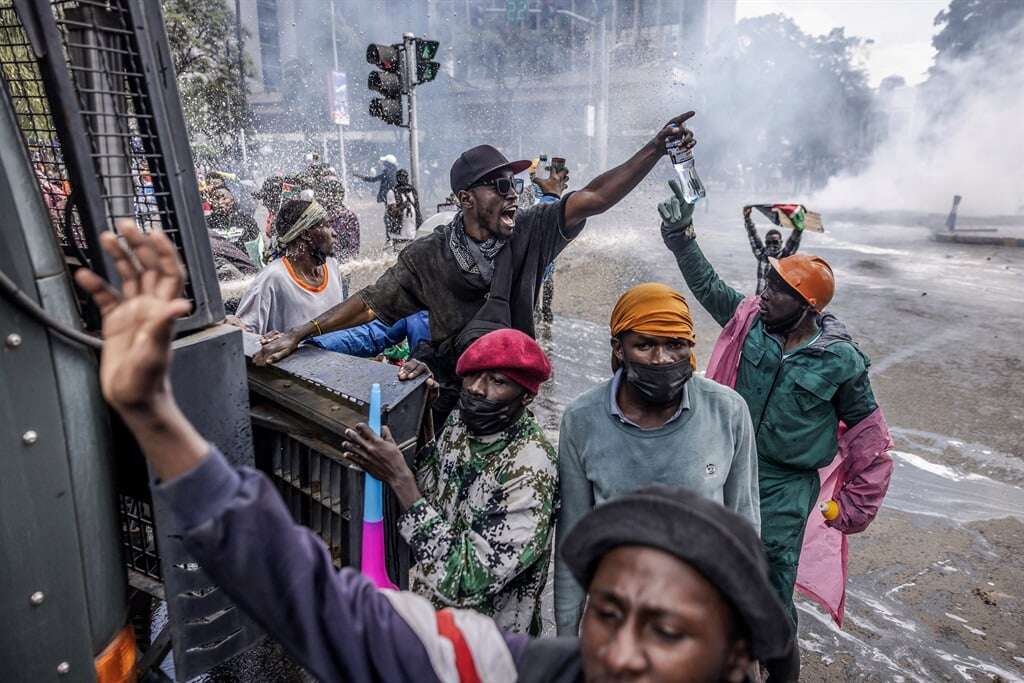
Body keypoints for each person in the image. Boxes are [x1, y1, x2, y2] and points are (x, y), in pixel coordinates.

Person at [70, 228, 798, 681]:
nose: (623, 653)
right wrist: (156, 416)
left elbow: (464, 569)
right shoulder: (510, 668)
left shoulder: (534, 464)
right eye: (610, 613)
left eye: (668, 628)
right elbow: (320, 601)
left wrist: (403, 485)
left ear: (737, 656)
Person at [256, 112, 699, 427]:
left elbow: (596, 197)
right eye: (501, 185)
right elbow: (369, 305)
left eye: (517, 185)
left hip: (513, 399)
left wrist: (655, 149)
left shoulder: (531, 230)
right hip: (449, 402)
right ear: (466, 198)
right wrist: (301, 334)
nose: (513, 194)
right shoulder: (427, 256)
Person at [657, 180, 893, 632]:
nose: (764, 296)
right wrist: (681, 237)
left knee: (769, 580)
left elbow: (870, 440)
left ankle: (776, 661)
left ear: (806, 306)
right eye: (765, 286)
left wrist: (852, 507)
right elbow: (707, 285)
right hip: (729, 464)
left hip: (787, 484)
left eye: (776, 292)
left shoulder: (840, 359)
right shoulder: (750, 322)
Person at [554, 282, 760, 636]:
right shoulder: (582, 420)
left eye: (675, 344)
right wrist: (567, 637)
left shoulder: (727, 411)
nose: (661, 359)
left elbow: (745, 521)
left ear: (690, 347)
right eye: (645, 345)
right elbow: (572, 534)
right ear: (619, 348)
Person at [341, 328, 556, 634]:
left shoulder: (529, 470)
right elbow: (433, 486)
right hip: (434, 623)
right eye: (472, 375)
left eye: (498, 381)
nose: (477, 389)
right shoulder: (466, 420)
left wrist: (398, 476)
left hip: (487, 646)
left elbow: (467, 580)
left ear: (526, 395)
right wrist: (424, 410)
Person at [234, 199, 346, 334]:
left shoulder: (332, 266)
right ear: (306, 234)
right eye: (327, 226)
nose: (334, 233)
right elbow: (244, 335)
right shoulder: (273, 278)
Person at [744, 206, 802, 294]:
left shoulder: (784, 257)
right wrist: (747, 218)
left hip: (776, 305)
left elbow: (793, 241)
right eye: (768, 242)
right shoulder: (762, 255)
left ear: (781, 242)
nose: (771, 245)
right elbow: (752, 234)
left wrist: (798, 229)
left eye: (775, 242)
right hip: (760, 302)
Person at [315, 177, 361, 263]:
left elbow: (353, 248)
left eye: (331, 192)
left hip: (338, 266)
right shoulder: (318, 217)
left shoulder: (348, 217)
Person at [206, 186, 259, 251]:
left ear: (232, 199)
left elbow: (255, 243)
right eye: (216, 199)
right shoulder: (207, 223)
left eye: (224, 198)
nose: (220, 202)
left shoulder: (246, 219)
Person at [384, 169, 422, 251]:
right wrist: (402, 206)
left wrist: (420, 225)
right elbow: (392, 213)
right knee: (399, 256)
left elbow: (417, 210)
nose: (402, 179)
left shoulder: (412, 191)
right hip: (399, 234)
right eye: (400, 177)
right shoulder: (392, 192)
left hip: (413, 233)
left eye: (404, 177)